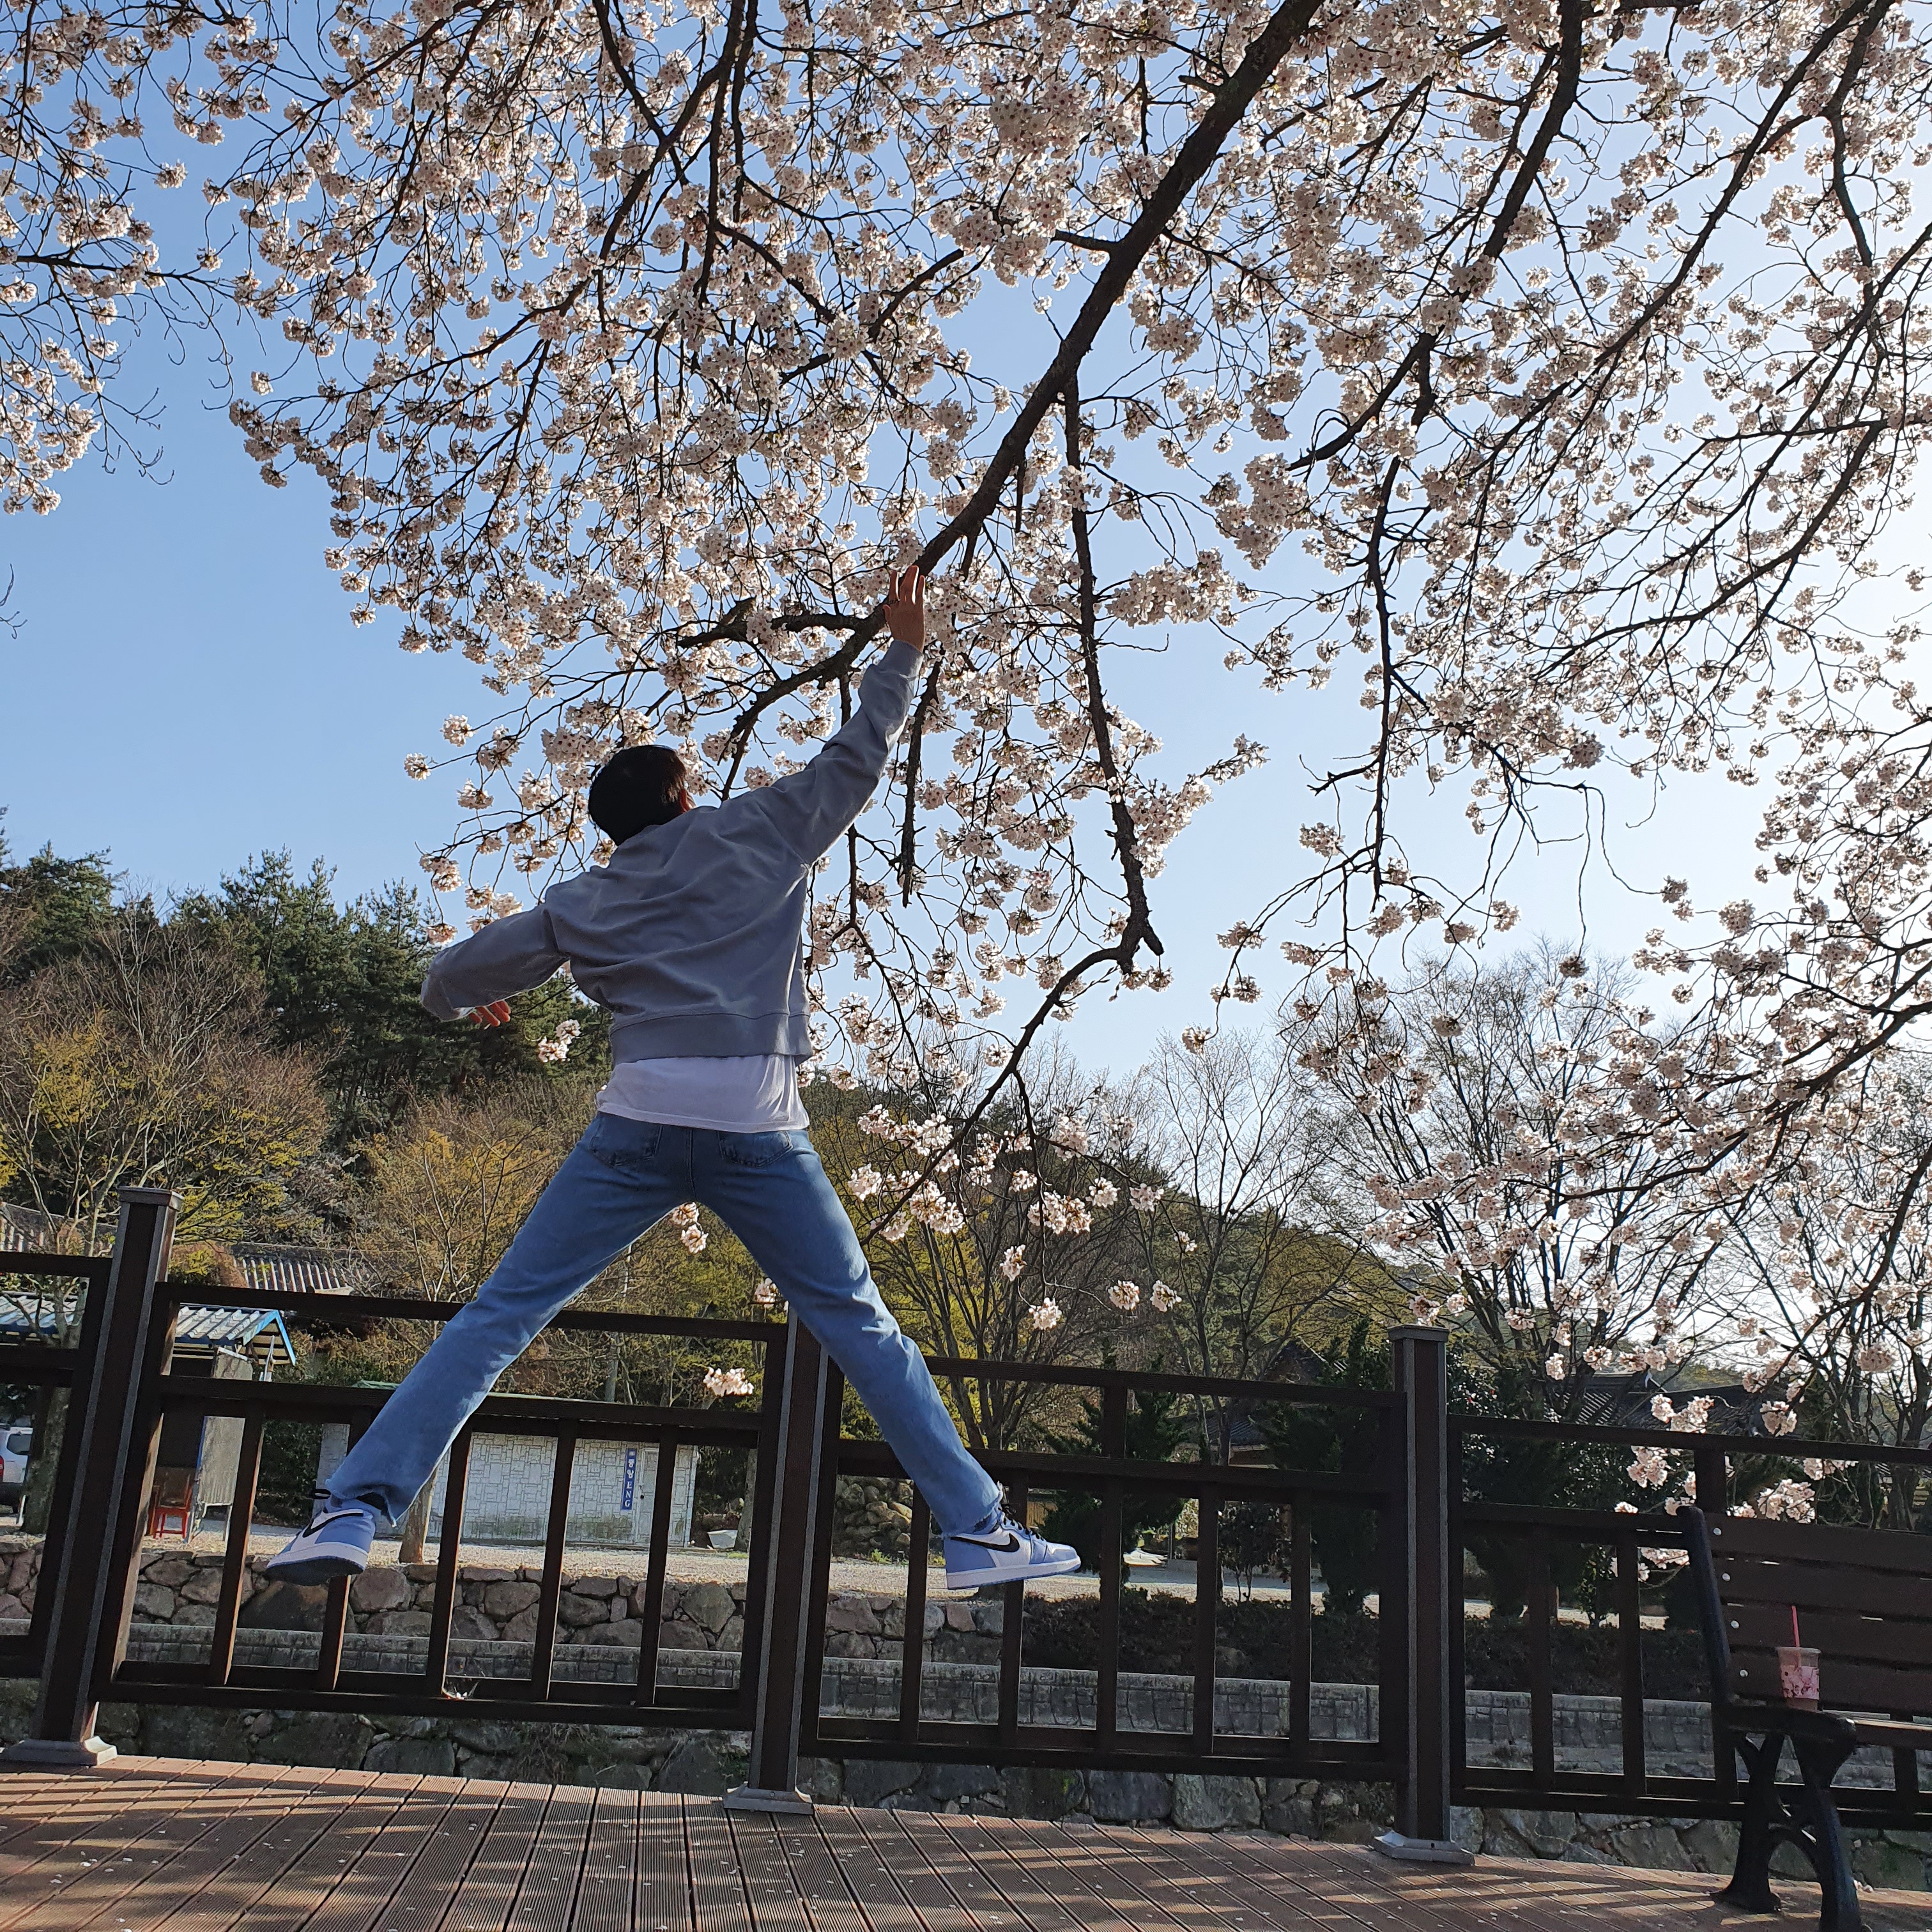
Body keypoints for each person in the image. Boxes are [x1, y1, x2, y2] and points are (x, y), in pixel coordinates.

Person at [268, 568, 1078, 1593]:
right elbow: (855, 758)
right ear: (686, 797)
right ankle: (976, 1532)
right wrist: (905, 650)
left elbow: (445, 976)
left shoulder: (584, 898)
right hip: (757, 1126)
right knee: (861, 1329)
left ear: (615, 829)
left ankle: (351, 1509)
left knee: (498, 1319)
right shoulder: (760, 829)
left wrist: (466, 1001)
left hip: (637, 1123)